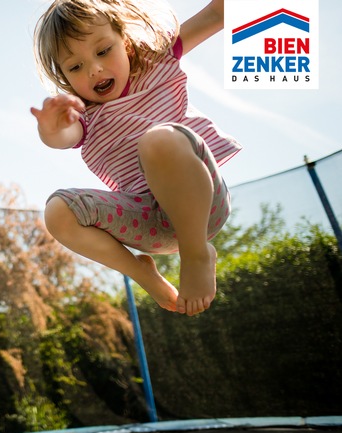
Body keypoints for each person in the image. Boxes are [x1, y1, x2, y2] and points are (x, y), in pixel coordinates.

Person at [30, 0, 241, 316]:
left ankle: (196, 254)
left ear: (125, 43)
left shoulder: (159, 61)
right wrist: (50, 129)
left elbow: (215, 14)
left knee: (158, 140)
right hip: (150, 225)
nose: (94, 69)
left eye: (103, 51)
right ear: (65, 77)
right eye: (75, 67)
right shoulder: (83, 116)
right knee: (58, 211)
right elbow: (63, 138)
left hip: (203, 205)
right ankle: (142, 273)